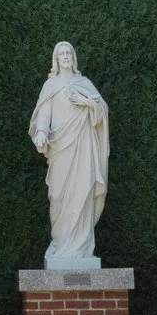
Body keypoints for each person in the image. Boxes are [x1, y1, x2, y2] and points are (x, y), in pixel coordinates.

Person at [28, 40, 110, 268]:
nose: (65, 56)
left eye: (68, 53)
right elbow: (43, 114)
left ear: (73, 58)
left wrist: (88, 102)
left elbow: (102, 109)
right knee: (58, 195)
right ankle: (60, 243)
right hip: (60, 149)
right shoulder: (50, 85)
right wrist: (42, 131)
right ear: (56, 59)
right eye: (61, 53)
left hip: (83, 148)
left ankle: (81, 248)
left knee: (82, 192)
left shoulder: (83, 83)